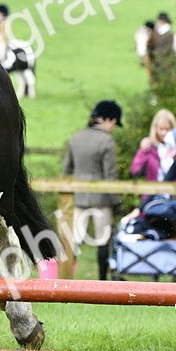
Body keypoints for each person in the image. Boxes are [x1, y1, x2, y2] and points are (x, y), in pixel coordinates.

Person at [63, 100, 123, 280]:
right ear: (108, 120)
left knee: (75, 240)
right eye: (114, 123)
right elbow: (110, 176)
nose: (114, 128)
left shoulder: (76, 138)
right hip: (101, 200)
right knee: (103, 241)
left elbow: (66, 171)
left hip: (79, 198)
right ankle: (102, 281)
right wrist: (116, 202)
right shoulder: (107, 141)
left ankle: (65, 278)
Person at [130, 109, 176, 203]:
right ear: (155, 128)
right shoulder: (149, 147)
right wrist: (142, 152)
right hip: (152, 198)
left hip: (174, 198)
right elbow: (135, 171)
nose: (164, 133)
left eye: (167, 129)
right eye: (161, 129)